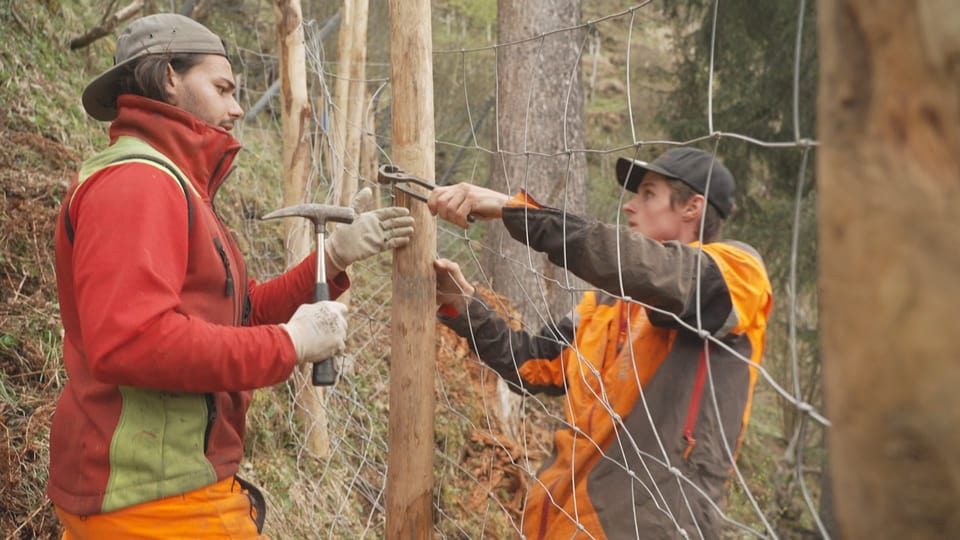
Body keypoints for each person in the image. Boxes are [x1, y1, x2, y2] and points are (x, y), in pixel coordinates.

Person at [49, 13, 414, 539]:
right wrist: (286, 345)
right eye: (222, 88)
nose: (238, 107)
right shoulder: (136, 185)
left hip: (167, 486)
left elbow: (238, 316)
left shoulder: (175, 186)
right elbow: (131, 342)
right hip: (148, 500)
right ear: (169, 77)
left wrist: (331, 259)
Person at [428, 147, 773, 539]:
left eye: (648, 194)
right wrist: (463, 304)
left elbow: (653, 270)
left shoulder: (739, 275)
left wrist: (514, 210)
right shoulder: (607, 306)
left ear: (692, 207)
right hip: (560, 521)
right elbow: (532, 364)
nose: (630, 207)